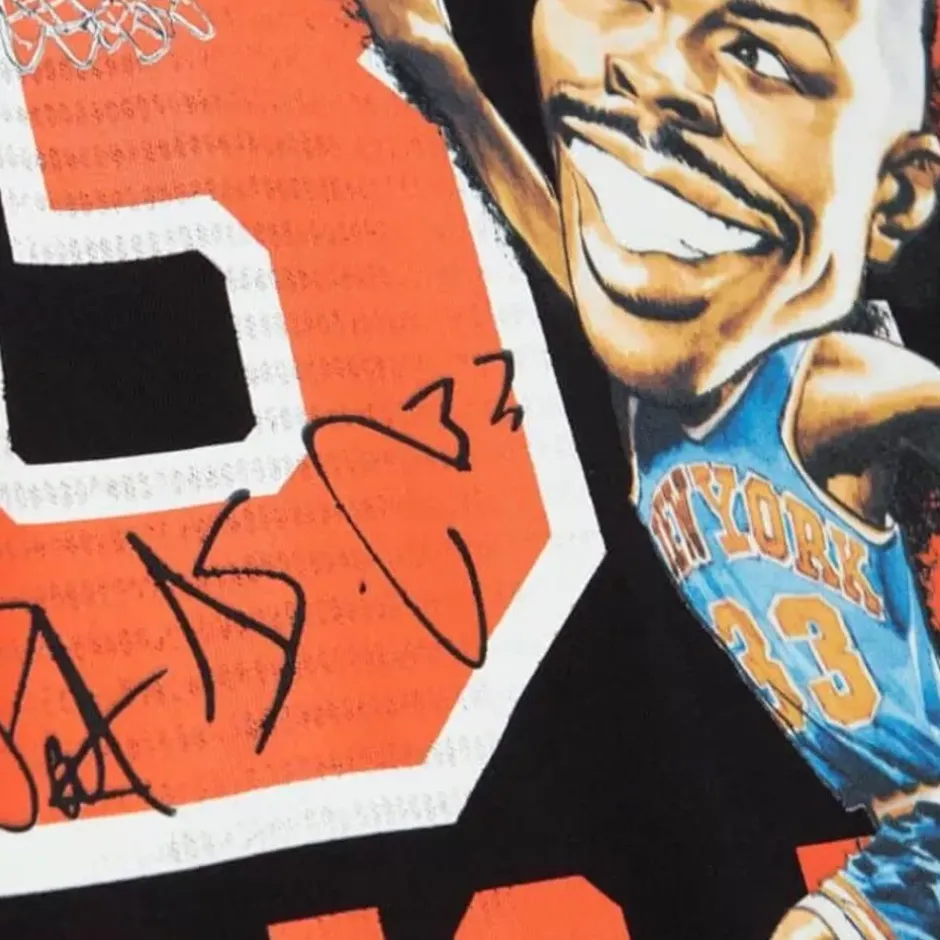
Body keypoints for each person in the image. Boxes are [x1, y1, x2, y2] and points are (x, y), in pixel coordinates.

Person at [357, 1, 940, 936]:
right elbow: (538, 214)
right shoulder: (648, 376)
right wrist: (442, 70)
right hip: (900, 846)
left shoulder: (824, 386)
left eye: (758, 59)